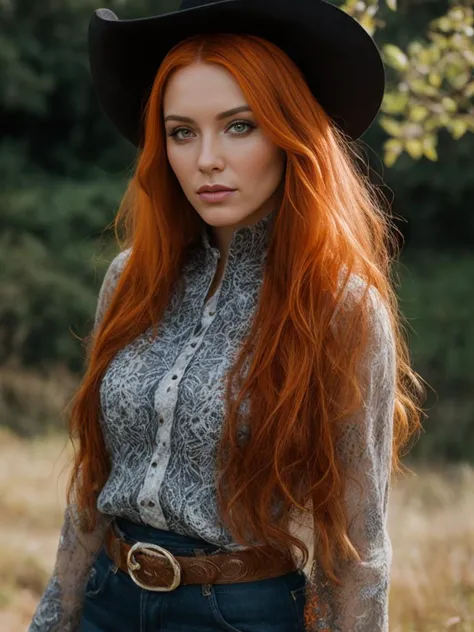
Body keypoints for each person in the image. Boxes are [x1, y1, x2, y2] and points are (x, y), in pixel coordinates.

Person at [28, 0, 425, 630]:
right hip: (109, 596)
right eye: (182, 132)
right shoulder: (130, 280)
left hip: (239, 613)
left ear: (289, 132)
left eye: (239, 126)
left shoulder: (341, 308)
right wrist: (54, 618)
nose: (206, 158)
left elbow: (357, 549)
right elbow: (91, 488)